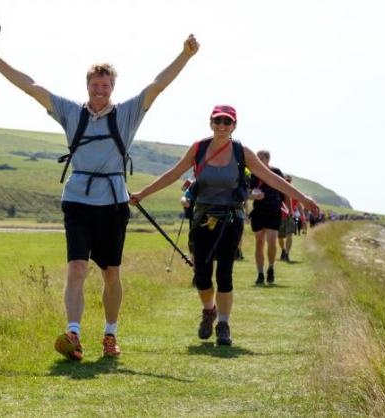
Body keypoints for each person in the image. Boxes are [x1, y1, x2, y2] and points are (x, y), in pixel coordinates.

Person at [0, 31, 200, 360]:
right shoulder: (71, 113)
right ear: (88, 86)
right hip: (78, 200)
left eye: (105, 86)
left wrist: (185, 55)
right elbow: (31, 86)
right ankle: (74, 333)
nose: (100, 90)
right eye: (95, 85)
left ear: (112, 88)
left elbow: (157, 85)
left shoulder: (127, 114)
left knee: (112, 272)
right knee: (77, 268)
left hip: (113, 202)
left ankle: (110, 334)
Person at [130, 105, 318, 346]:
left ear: (234, 126)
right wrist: (143, 193)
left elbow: (272, 179)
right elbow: (173, 173)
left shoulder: (242, 152)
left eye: (226, 122)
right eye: (217, 120)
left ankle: (224, 324)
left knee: (225, 273)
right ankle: (209, 310)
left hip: (232, 218)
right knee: (202, 274)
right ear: (210, 123)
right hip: (203, 217)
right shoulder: (198, 148)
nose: (221, 125)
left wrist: (304, 199)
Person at [249, 150, 284, 285]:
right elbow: (247, 192)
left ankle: (270, 268)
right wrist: (253, 195)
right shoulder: (253, 174)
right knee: (259, 242)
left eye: (260, 158)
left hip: (274, 210)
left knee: (271, 241)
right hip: (258, 211)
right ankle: (260, 273)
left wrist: (291, 211)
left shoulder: (276, 172)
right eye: (256, 158)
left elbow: (285, 190)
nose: (257, 160)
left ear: (267, 159)